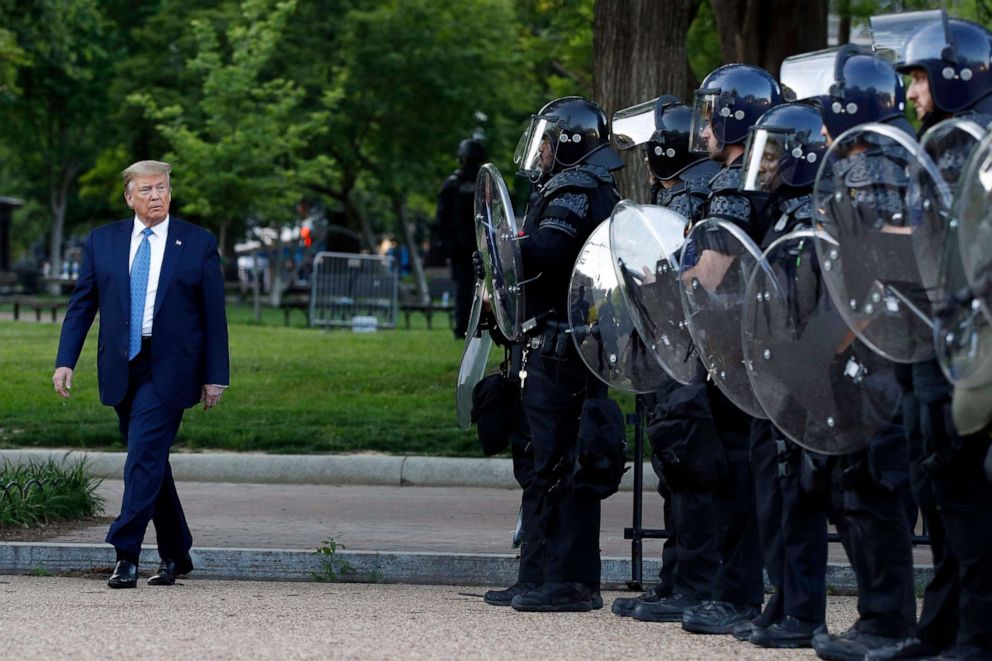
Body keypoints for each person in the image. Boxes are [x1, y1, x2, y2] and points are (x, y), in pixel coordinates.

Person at [867, 16, 992, 661]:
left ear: (952, 73)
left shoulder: (981, 143)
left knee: (962, 492)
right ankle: (938, 630)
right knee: (937, 491)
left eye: (917, 77)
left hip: (964, 344)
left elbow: (972, 250)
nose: (911, 92)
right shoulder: (942, 142)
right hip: (926, 339)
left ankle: (976, 635)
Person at [52, 160, 229, 589]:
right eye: (147, 190)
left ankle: (125, 551)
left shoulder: (198, 243)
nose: (156, 197)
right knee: (151, 462)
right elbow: (82, 306)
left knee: (143, 456)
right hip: (122, 364)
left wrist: (215, 375)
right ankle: (176, 553)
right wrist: (65, 360)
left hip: (172, 368)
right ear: (129, 197)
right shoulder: (103, 242)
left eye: (163, 189)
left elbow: (213, 316)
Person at [667, 63, 781, 636]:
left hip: (737, 351)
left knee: (738, 474)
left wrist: (660, 280)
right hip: (739, 348)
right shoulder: (745, 178)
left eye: (712, 115)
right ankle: (729, 589)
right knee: (737, 472)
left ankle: (736, 594)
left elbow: (708, 273)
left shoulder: (738, 185)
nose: (703, 127)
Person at [497, 96, 623, 612]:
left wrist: (502, 246)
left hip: (564, 349)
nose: (541, 151)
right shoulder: (575, 187)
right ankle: (537, 575)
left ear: (568, 143)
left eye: (548, 141)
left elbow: (548, 250)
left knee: (561, 465)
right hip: (554, 345)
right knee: (542, 462)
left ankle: (567, 582)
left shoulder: (576, 189)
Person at [608, 94, 722, 622]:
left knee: (688, 472)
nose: (647, 158)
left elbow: (677, 277)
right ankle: (676, 579)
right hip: (674, 353)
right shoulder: (683, 194)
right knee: (675, 472)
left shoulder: (689, 201)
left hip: (686, 357)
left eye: (652, 149)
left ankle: (691, 584)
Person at [436, 138, 487, 339]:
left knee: (463, 288)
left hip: (459, 245)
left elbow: (441, 217)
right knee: (484, 288)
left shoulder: (452, 183)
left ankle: (462, 328)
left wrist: (446, 244)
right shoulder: (483, 182)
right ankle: (478, 327)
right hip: (481, 243)